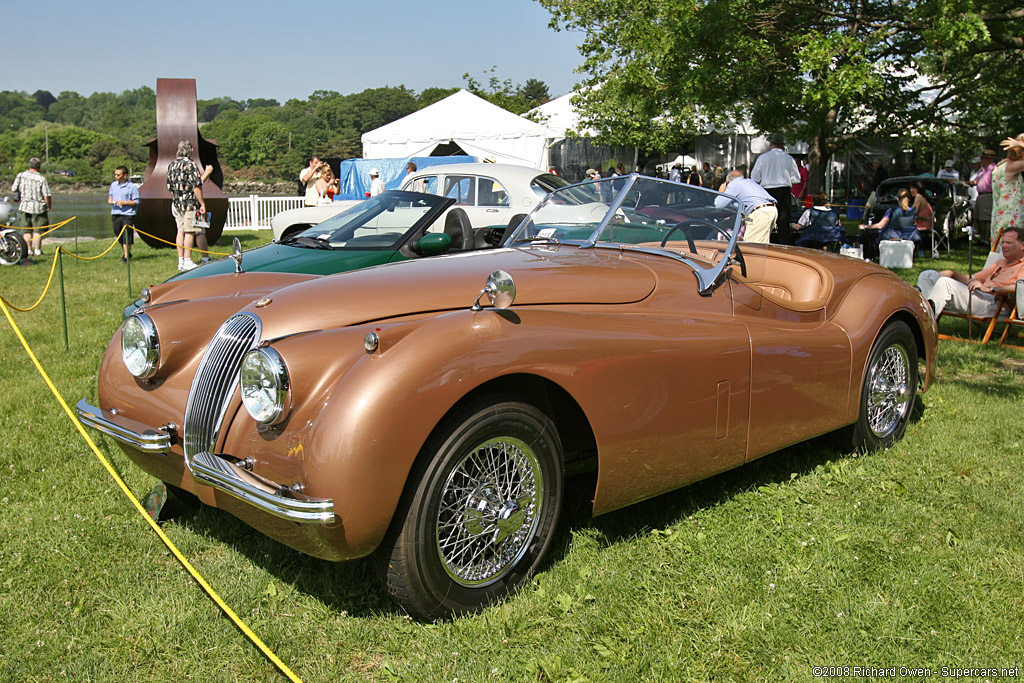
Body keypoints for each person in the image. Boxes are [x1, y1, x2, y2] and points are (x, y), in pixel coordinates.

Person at [917, 227, 1024, 319]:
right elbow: (973, 278)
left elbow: (1020, 287)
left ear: (1022, 245)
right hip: (979, 296)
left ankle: (925, 321)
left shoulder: (1022, 265)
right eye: (1003, 242)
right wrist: (953, 274)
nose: (1004, 246)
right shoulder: (1001, 263)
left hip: (995, 303)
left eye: (1008, 243)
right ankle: (926, 312)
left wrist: (991, 289)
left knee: (945, 283)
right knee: (928, 275)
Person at [166, 139, 211, 272]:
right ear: (191, 150)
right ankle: (187, 260)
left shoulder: (172, 164)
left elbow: (169, 186)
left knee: (180, 231)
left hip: (177, 202)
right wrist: (202, 203)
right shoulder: (190, 164)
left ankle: (180, 261)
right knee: (190, 231)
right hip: (189, 203)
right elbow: (196, 186)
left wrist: (177, 197)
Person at [750, 133, 800, 245]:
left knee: (766, 218)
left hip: (767, 191)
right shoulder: (789, 159)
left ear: (771, 143)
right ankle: (784, 245)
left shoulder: (763, 158)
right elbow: (796, 179)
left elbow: (755, 177)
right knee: (783, 221)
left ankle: (765, 242)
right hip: (784, 190)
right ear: (783, 145)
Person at [714, 169, 777, 243]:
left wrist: (721, 192)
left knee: (750, 246)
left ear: (728, 181)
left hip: (759, 213)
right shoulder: (750, 182)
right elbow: (742, 208)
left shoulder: (734, 184)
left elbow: (718, 205)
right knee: (761, 245)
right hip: (771, 210)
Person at [858, 189, 917, 259]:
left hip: (893, 235)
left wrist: (865, 226)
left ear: (897, 199)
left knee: (865, 234)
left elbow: (880, 225)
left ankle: (869, 257)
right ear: (909, 199)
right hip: (908, 236)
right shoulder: (913, 211)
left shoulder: (892, 210)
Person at [10, 157, 51, 257]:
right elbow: (46, 195)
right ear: (39, 167)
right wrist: (48, 206)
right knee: (38, 230)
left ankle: (28, 250)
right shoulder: (41, 178)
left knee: (26, 229)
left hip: (24, 206)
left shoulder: (20, 176)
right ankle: (37, 251)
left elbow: (13, 189)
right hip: (38, 207)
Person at [991, 134, 1024, 250]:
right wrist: (1020, 144)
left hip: (1000, 217)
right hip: (1010, 219)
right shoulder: (1012, 166)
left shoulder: (1002, 164)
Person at [108, 165, 140, 262]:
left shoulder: (132, 187)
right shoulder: (113, 185)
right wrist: (111, 201)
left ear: (125, 175)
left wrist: (124, 202)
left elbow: (136, 201)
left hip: (128, 214)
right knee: (119, 233)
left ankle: (126, 256)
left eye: (118, 175)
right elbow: (110, 197)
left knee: (127, 234)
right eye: (115, 175)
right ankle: (127, 252)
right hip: (115, 213)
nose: (116, 177)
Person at [967, 149, 996, 243]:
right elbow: (977, 181)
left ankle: (987, 239)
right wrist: (971, 183)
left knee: (986, 218)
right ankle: (982, 238)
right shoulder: (983, 170)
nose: (981, 160)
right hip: (980, 195)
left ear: (988, 159)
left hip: (988, 195)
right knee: (979, 218)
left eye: (983, 158)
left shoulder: (994, 169)